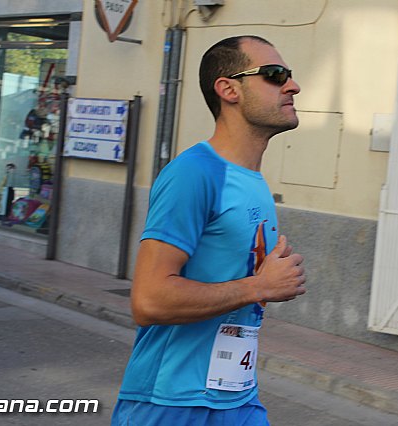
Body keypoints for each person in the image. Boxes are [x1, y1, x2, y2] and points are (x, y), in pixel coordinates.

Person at [111, 35, 306, 425]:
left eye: (289, 75)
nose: (292, 85)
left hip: (235, 396)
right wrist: (259, 287)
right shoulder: (194, 173)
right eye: (274, 75)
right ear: (228, 89)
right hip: (170, 401)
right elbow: (148, 300)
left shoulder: (252, 181)